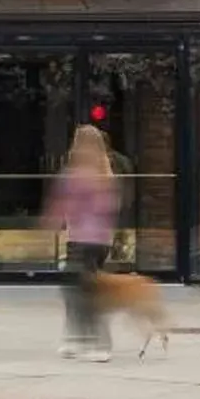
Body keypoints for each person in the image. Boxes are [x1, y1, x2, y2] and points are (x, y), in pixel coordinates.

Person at [46, 123, 121, 362]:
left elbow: (64, 205)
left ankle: (96, 342)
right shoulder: (106, 173)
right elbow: (111, 207)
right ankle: (78, 340)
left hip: (81, 240)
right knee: (82, 289)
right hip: (101, 242)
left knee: (80, 291)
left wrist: (53, 221)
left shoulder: (76, 174)